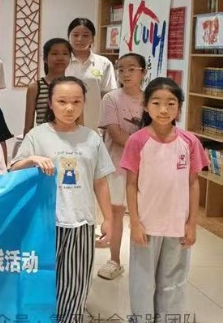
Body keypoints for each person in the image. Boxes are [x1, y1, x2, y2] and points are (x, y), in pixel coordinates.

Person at [11, 76, 114, 323]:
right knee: (39, 279)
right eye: (62, 101)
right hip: (44, 222)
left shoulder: (92, 138)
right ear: (51, 104)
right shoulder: (37, 135)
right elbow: (13, 169)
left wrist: (109, 219)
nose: (69, 108)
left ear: (84, 103)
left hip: (82, 222)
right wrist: (31, 160)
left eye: (76, 101)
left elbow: (100, 181)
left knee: (76, 283)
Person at [122, 78, 207, 320]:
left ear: (179, 107)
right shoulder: (137, 140)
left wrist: (192, 223)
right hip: (146, 225)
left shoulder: (190, 141)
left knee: (173, 282)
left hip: (177, 225)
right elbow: (131, 184)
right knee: (142, 282)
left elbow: (193, 183)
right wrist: (135, 222)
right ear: (146, 106)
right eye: (156, 103)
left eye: (171, 103)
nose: (163, 109)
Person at [96, 53, 146, 279]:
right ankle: (114, 260)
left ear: (143, 72)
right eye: (121, 69)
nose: (125, 73)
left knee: (143, 212)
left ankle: (143, 261)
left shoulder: (151, 99)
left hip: (146, 166)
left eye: (132, 69)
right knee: (116, 211)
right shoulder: (111, 98)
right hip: (117, 163)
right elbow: (115, 134)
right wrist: (145, 149)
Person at [65, 17, 118, 131]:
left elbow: (109, 96)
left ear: (92, 38)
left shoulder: (103, 63)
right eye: (75, 35)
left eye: (85, 35)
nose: (80, 39)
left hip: (95, 124)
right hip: (65, 123)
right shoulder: (63, 62)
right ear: (69, 37)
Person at [24, 38, 71, 135]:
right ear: (45, 58)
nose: (60, 58)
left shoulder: (74, 87)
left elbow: (80, 123)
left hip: (69, 139)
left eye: (65, 53)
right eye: (55, 53)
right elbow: (28, 126)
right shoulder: (35, 87)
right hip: (43, 139)